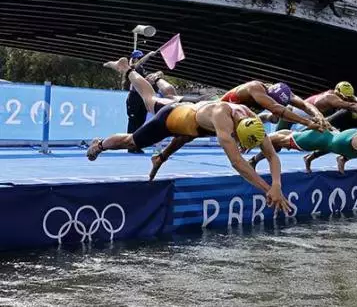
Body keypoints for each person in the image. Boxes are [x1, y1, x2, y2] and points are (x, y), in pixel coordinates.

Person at [88, 57, 290, 213]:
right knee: (136, 131)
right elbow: (237, 163)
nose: (239, 146)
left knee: (172, 100)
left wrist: (277, 185)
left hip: (194, 110)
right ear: (236, 131)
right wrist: (267, 189)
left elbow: (272, 155)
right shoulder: (222, 120)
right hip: (175, 117)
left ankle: (156, 79)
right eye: (239, 142)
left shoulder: (251, 120)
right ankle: (101, 143)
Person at [220, 80, 330, 131]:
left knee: (275, 118)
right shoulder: (254, 88)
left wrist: (318, 114)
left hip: (243, 114)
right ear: (269, 97)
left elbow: (305, 105)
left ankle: (268, 118)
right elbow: (277, 110)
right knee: (276, 114)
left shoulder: (284, 92)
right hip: (221, 111)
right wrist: (307, 122)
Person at [125, 50, 148, 154]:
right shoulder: (131, 68)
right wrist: (149, 55)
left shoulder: (142, 70)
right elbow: (136, 65)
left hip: (142, 97)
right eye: (138, 57)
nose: (139, 59)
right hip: (134, 97)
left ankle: (137, 145)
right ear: (133, 58)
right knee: (133, 123)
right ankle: (130, 146)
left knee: (140, 122)